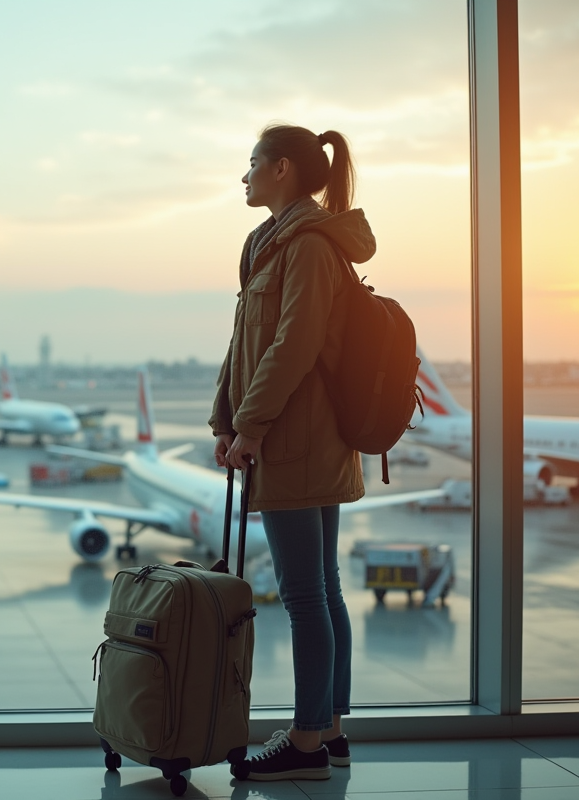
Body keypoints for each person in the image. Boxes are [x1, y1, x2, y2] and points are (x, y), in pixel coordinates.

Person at [210, 123, 373, 782]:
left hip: (298, 440)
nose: (243, 176)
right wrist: (226, 417)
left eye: (251, 164)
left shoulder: (307, 245)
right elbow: (245, 339)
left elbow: (294, 346)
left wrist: (251, 427)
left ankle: (307, 743)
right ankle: (329, 729)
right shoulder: (272, 242)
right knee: (323, 590)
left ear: (281, 170)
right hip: (297, 435)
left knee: (306, 597)